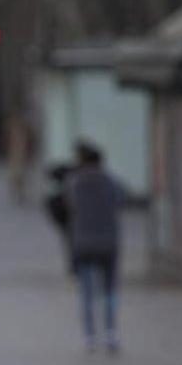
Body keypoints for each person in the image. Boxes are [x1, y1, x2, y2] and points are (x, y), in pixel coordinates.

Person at [67, 141, 124, 353]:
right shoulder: (111, 182)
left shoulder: (75, 183)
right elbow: (121, 200)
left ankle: (90, 336)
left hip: (84, 244)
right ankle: (111, 333)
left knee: (87, 293)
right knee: (109, 291)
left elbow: (70, 205)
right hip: (109, 243)